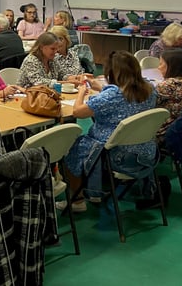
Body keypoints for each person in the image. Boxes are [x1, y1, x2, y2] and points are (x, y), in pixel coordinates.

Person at [64, 51, 158, 211]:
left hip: (118, 156)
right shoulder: (150, 89)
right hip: (147, 154)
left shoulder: (113, 95)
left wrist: (81, 92)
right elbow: (122, 98)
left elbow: (78, 112)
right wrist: (101, 88)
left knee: (70, 148)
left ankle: (77, 201)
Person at [18, 31, 84, 88]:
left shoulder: (52, 59)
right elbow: (39, 83)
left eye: (57, 49)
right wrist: (64, 83)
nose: (56, 51)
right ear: (41, 47)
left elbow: (61, 74)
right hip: (26, 96)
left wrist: (74, 78)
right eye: (52, 49)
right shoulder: (31, 60)